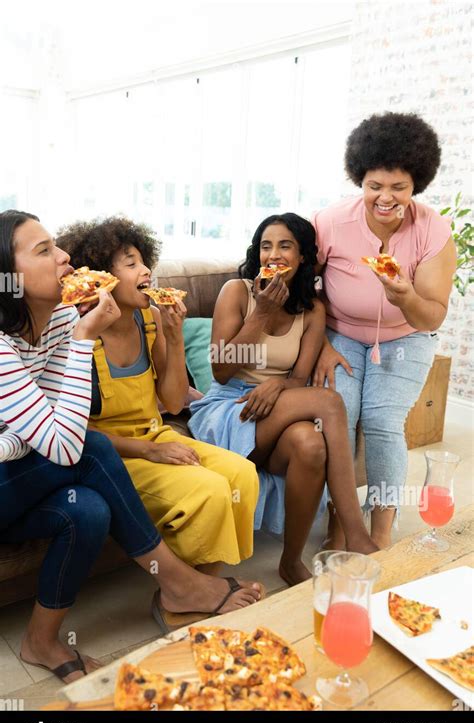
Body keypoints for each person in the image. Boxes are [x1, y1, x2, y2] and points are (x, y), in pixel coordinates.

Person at [0, 211, 262, 683]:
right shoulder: (16, 342)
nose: (63, 258)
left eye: (56, 245)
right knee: (93, 450)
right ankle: (178, 584)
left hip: (31, 467)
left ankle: (41, 639)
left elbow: (63, 424)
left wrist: (24, 432)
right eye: (43, 251)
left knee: (91, 511)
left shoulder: (61, 318)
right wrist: (84, 339)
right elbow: (65, 443)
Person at [56, 217, 262, 604]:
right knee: (210, 489)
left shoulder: (149, 317)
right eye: (130, 263)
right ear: (100, 278)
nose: (146, 271)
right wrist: (151, 451)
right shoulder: (76, 333)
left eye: (143, 261)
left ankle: (194, 587)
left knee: (242, 474)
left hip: (156, 432)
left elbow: (170, 403)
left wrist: (172, 336)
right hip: (111, 456)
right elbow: (75, 431)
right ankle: (187, 594)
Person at [189, 212, 378, 586]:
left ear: (304, 256)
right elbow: (221, 370)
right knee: (330, 403)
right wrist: (262, 313)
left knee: (310, 444)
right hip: (230, 409)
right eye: (265, 246)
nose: (273, 255)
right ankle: (357, 535)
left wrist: (278, 386)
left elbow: (295, 379)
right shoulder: (237, 292)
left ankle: (290, 561)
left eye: (285, 246)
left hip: (278, 406)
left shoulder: (312, 311)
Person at [312, 112, 456, 549]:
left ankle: (381, 531)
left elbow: (431, 317)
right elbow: (306, 290)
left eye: (399, 187)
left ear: (417, 184)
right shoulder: (331, 221)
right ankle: (341, 522)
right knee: (340, 417)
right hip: (340, 333)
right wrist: (319, 345)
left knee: (382, 421)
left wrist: (405, 297)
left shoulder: (433, 229)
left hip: (406, 336)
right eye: (374, 186)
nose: (385, 198)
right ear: (360, 178)